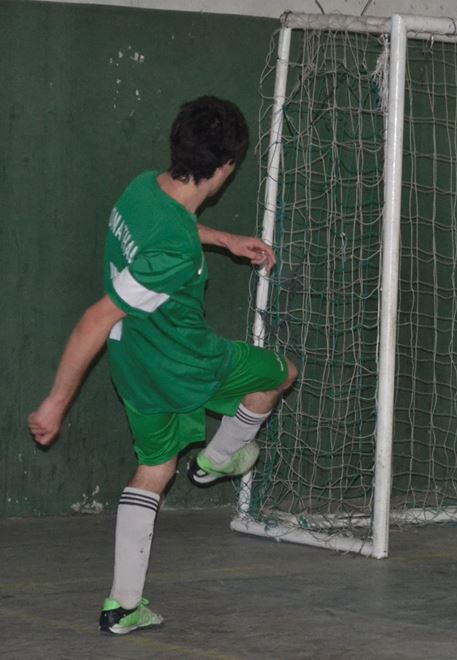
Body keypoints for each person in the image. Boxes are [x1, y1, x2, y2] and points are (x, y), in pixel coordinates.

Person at [28, 96, 298, 634]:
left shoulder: (142, 189)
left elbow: (170, 230)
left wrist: (223, 239)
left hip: (135, 366)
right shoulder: (175, 249)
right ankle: (218, 458)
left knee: (155, 468)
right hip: (188, 361)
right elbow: (96, 317)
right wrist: (56, 403)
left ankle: (123, 606)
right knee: (281, 374)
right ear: (226, 168)